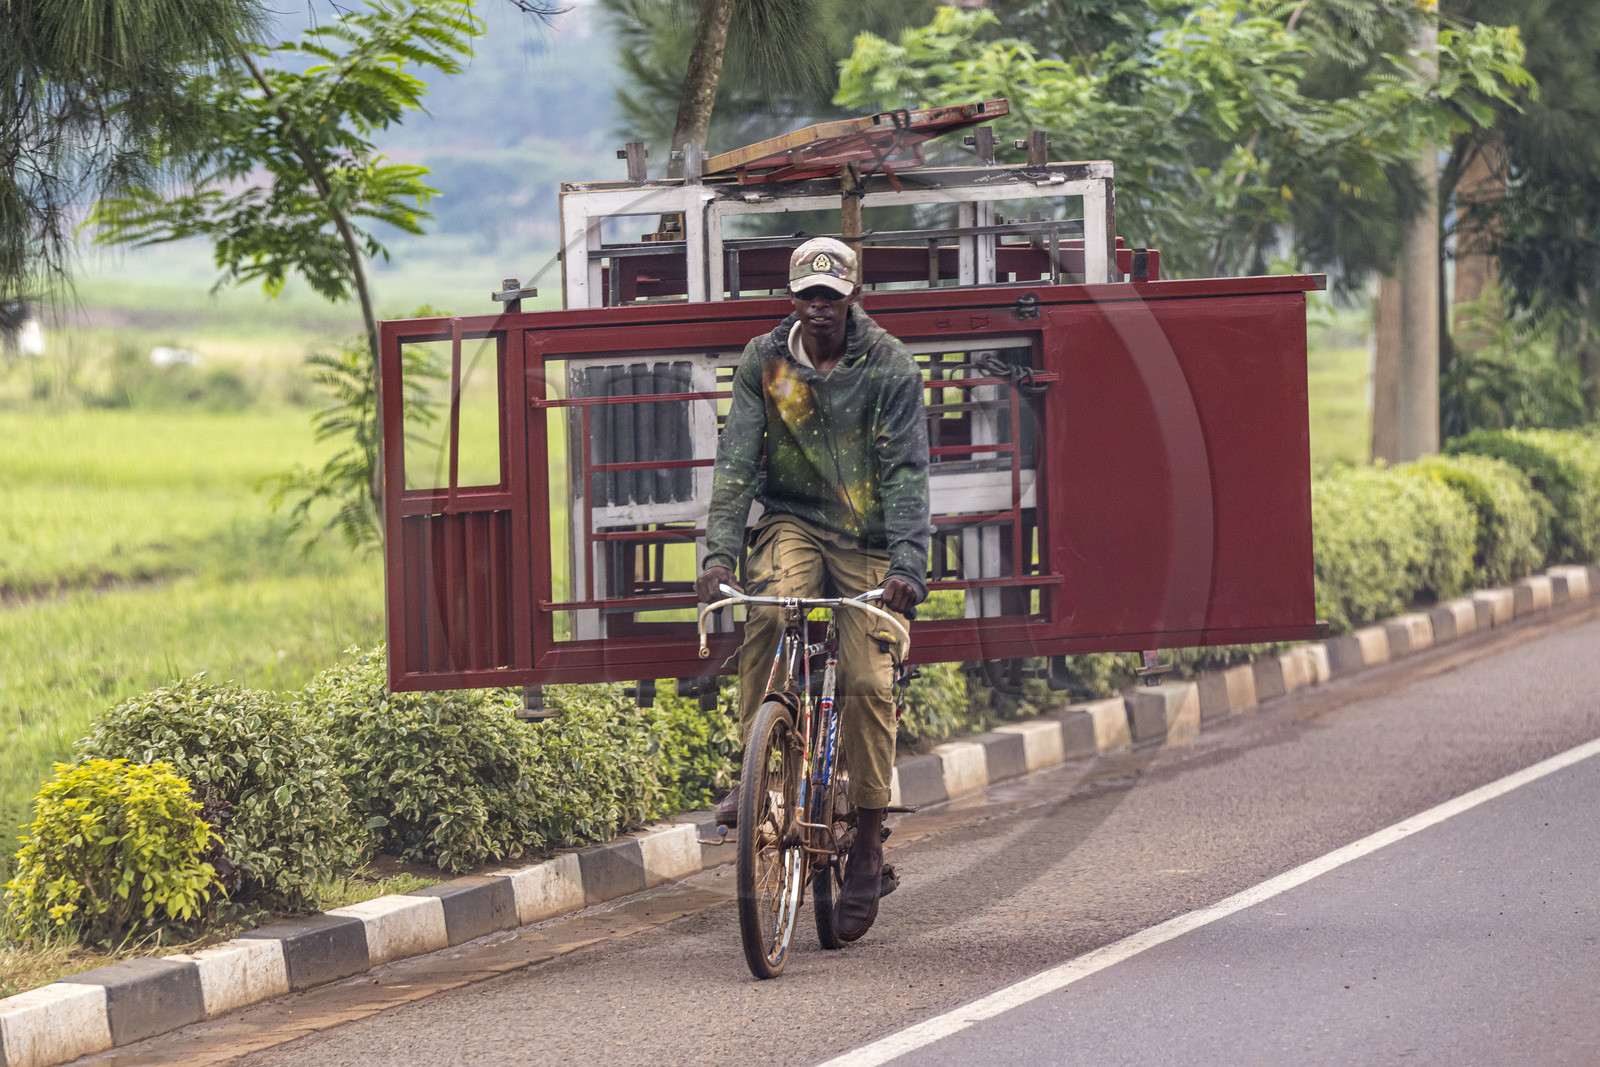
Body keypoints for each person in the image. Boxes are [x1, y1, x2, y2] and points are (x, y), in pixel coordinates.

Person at [695, 236, 931, 942]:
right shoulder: (767, 361)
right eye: (808, 295)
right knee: (768, 610)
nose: (819, 307)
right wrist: (720, 551)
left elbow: (906, 470)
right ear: (792, 297)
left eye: (832, 295)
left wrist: (907, 564)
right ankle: (759, 766)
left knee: (864, 679)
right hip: (794, 522)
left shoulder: (887, 364)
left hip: (868, 537)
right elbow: (738, 457)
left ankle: (868, 840)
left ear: (852, 294)